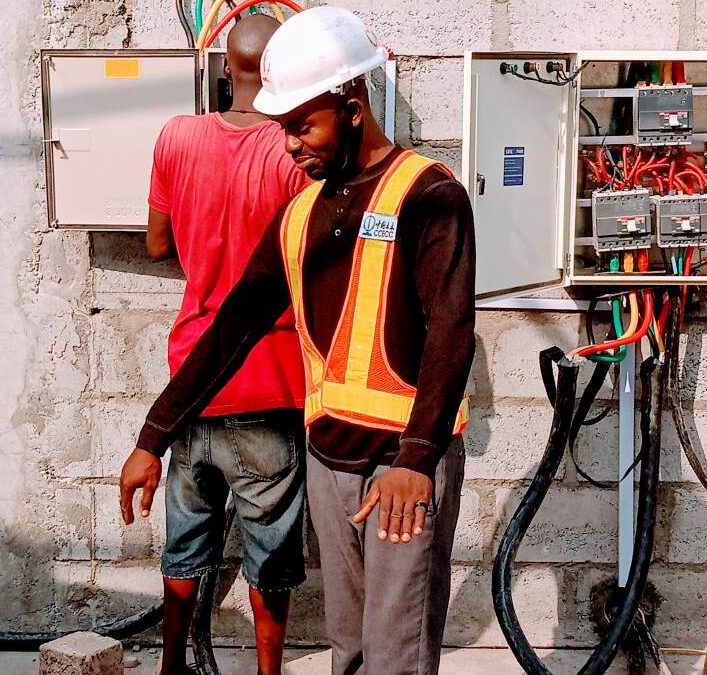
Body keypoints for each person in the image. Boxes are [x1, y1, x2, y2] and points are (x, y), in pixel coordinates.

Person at [124, 6, 476, 675]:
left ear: (351, 105)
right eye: (284, 127)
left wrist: (419, 457)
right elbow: (231, 330)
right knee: (350, 652)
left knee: (396, 657)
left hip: (401, 466)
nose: (288, 144)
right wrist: (153, 436)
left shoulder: (429, 194)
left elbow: (452, 334)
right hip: (331, 462)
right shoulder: (302, 212)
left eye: (301, 125)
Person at [118, 14, 310, 675]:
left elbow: (157, 243)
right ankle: (266, 669)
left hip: (192, 385)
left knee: (186, 538)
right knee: (271, 552)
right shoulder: (295, 151)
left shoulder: (177, 137)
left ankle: (172, 663)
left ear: (224, 69)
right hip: (271, 381)